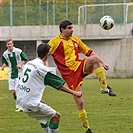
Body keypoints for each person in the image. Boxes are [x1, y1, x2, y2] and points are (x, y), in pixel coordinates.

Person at [48, 20, 116, 133]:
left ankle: (104, 88)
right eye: (69, 28)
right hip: (69, 74)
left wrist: (103, 62)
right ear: (62, 30)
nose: (72, 30)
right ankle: (87, 129)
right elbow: (45, 53)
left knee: (94, 59)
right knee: (80, 102)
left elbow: (90, 52)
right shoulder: (54, 42)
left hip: (79, 66)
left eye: (72, 27)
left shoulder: (75, 40)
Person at [16, 43, 82, 133]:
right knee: (56, 116)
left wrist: (37, 98)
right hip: (30, 103)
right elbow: (59, 85)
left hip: (21, 99)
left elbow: (24, 82)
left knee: (43, 118)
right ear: (48, 54)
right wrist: (74, 93)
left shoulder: (29, 63)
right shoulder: (42, 69)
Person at [1, 38, 28, 112]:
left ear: (13, 44)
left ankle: (21, 106)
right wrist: (3, 66)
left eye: (10, 43)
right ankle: (19, 105)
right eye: (8, 44)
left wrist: (20, 64)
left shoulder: (18, 51)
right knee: (13, 92)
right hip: (11, 74)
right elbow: (5, 62)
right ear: (6, 45)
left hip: (19, 73)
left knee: (17, 91)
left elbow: (25, 59)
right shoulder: (5, 54)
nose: (9, 45)